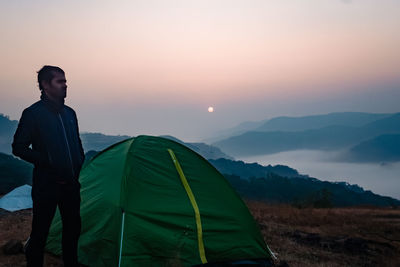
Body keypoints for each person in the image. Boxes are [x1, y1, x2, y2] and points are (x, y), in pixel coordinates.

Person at [12, 65, 84, 267]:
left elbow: (76, 143)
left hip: (70, 185)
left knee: (72, 230)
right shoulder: (33, 113)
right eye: (60, 81)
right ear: (45, 85)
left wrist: (79, 161)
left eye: (65, 81)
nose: (65, 85)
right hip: (47, 186)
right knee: (40, 232)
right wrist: (47, 160)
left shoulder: (70, 113)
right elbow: (18, 147)